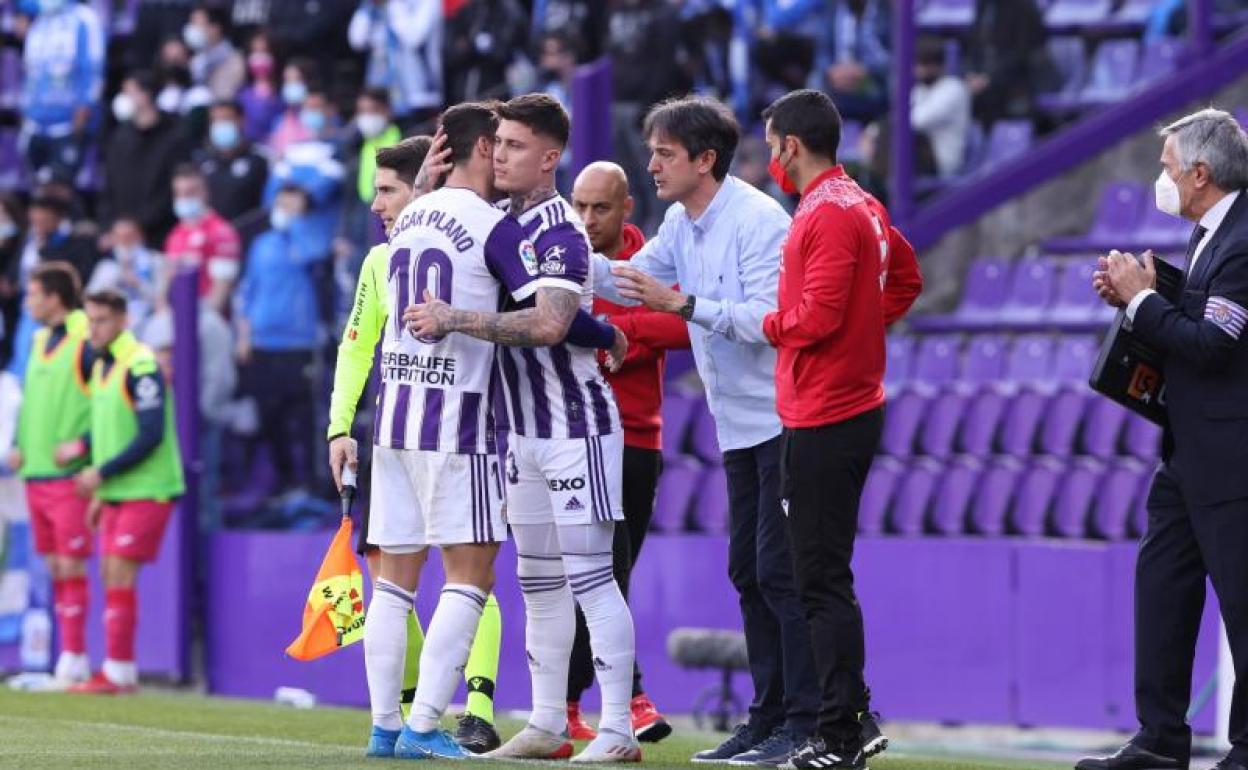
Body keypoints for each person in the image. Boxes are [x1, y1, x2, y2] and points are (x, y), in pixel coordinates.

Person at [589, 94, 875, 766]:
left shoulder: (758, 220)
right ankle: (769, 715)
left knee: (782, 572)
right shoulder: (681, 223)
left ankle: (806, 722)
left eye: (664, 154)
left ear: (704, 159)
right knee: (748, 570)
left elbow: (769, 320)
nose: (651, 166)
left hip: (785, 418)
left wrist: (682, 305)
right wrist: (553, 259)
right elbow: (632, 280)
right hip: (737, 426)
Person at [359, 102, 622, 761]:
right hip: (457, 423)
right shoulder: (493, 227)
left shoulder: (408, 215)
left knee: (391, 583)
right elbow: (548, 317)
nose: (503, 156)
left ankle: (383, 728)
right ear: (482, 149)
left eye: (516, 144)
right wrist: (608, 330)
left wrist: (421, 188)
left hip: (392, 417)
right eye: (498, 144)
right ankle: (422, 729)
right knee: (469, 577)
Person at [757, 90, 922, 770]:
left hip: (823, 411)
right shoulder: (863, 203)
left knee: (818, 579)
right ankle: (850, 711)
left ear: (791, 145)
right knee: (823, 574)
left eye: (770, 145)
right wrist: (864, 327)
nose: (768, 157)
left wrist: (769, 326)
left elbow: (815, 318)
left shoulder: (823, 214)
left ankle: (841, 731)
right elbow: (906, 280)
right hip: (852, 405)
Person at [1084, 110, 1248, 770]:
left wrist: (1144, 303)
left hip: (1233, 462)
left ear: (1201, 174)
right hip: (1186, 456)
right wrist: (1140, 300)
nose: (1163, 175)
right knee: (1162, 596)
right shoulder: (1213, 234)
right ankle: (1159, 741)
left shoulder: (1242, 240)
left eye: (1169, 164)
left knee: (1242, 609)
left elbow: (1213, 346)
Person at [567, 160, 688, 743]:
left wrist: (620, 332)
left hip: (638, 436)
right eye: (580, 206)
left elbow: (686, 323)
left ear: (626, 209)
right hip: (576, 437)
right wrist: (618, 328)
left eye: (600, 208)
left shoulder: (652, 261)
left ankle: (576, 703)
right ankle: (630, 699)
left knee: (614, 573)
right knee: (598, 573)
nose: (587, 220)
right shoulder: (564, 258)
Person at [63, 289, 185, 694]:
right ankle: (121, 668)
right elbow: (105, 429)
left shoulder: (141, 363)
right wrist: (91, 464)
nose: (92, 329)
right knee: (109, 573)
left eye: (100, 321)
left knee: (118, 570)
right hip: (117, 489)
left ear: (122, 321)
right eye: (89, 320)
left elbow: (150, 434)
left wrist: (100, 474)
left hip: (148, 487)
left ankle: (117, 670)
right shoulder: (102, 366)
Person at [9, 262, 94, 690]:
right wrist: (19, 443)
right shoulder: (40, 339)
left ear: (54, 296)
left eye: (33, 293)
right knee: (54, 568)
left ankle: (74, 657)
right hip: (35, 471)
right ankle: (64, 656)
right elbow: (30, 400)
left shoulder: (87, 337)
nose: (27, 301)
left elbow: (111, 399)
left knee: (69, 564)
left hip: (68, 476)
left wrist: (84, 447)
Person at [235, 185, 324, 499]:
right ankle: (283, 480)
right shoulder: (261, 244)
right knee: (268, 417)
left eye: (291, 204)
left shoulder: (311, 237)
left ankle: (311, 483)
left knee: (302, 416)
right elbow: (247, 289)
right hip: (262, 342)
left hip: (298, 343)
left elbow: (313, 256)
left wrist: (299, 222)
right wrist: (243, 335)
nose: (283, 210)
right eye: (280, 203)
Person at [101, 71, 194, 244]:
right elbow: (109, 184)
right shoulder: (119, 137)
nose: (124, 98)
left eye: (130, 92)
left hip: (159, 233)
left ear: (146, 95)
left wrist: (141, 224)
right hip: (121, 235)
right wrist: (110, 226)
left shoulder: (174, 136)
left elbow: (172, 188)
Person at [19, 0, 105, 184]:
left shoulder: (84, 18)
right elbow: (31, 72)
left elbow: (93, 70)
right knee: (38, 194)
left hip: (68, 125)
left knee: (59, 193)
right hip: (34, 125)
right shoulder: (39, 20)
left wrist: (81, 117)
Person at [347, 0, 443, 127]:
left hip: (418, 95)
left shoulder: (427, 3)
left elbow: (413, 38)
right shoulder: (375, 6)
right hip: (382, 92)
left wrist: (392, 4)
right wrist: (368, 8)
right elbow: (357, 40)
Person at [162, 164, 242, 314]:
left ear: (204, 192)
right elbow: (167, 280)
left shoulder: (221, 232)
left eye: (190, 192)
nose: (184, 198)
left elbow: (222, 288)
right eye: (178, 193)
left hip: (207, 319)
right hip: (178, 316)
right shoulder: (176, 233)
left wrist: (205, 322)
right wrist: (163, 311)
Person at [195, 100, 270, 223]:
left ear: (241, 120)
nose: (220, 125)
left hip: (248, 233)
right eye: (216, 121)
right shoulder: (203, 162)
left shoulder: (259, 159)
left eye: (226, 119)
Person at [87, 217, 165, 325]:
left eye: (129, 236)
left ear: (139, 235)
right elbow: (90, 298)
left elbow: (161, 300)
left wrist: (137, 283)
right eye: (119, 237)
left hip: (148, 319)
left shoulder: (156, 260)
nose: (124, 241)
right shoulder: (106, 267)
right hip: (112, 321)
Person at [912, 37, 970, 180]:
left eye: (923, 64)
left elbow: (918, 121)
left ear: (938, 66)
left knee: (896, 137)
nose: (918, 70)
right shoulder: (918, 89)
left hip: (942, 161)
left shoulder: (954, 88)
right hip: (918, 161)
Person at [185, 6, 245, 101]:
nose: (193, 28)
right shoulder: (196, 59)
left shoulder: (234, 60)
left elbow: (225, 97)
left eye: (198, 24)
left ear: (215, 28)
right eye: (191, 23)